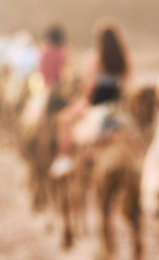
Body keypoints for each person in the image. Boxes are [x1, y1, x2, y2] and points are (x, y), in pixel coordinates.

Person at [51, 20, 130, 175]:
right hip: (116, 107)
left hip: (96, 106)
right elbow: (126, 87)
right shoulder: (123, 60)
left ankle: (64, 159)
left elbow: (90, 89)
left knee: (64, 120)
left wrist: (76, 103)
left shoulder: (95, 60)